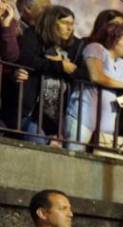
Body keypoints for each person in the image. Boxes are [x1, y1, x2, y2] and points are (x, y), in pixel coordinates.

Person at [67, 21, 123, 155]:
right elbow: (97, 77)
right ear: (113, 39)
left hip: (105, 128)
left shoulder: (122, 63)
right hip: (83, 119)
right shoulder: (96, 48)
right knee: (73, 158)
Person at [10, 5, 78, 139]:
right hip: (28, 113)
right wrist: (59, 65)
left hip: (52, 120)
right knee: (38, 141)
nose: (70, 28)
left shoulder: (70, 47)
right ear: (52, 22)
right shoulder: (33, 35)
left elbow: (81, 72)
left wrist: (64, 66)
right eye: (65, 23)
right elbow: (26, 58)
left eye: (72, 24)